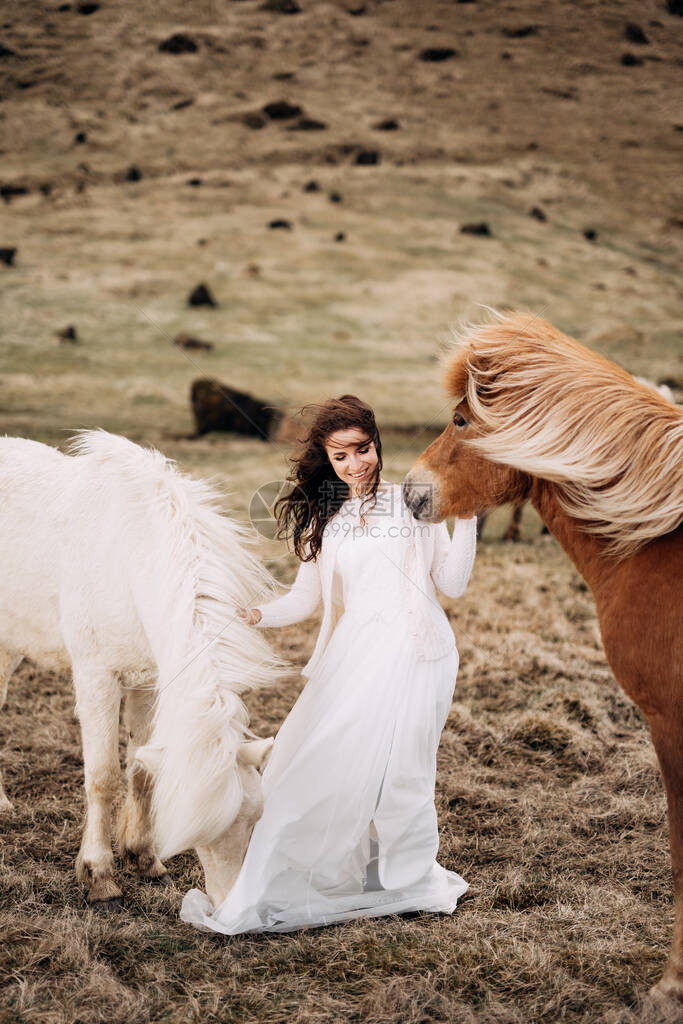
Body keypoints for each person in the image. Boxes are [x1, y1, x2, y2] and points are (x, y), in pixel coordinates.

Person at [181, 395, 477, 934]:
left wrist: (468, 515)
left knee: (404, 771)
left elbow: (452, 583)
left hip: (420, 651)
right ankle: (327, 867)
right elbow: (303, 602)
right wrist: (251, 614)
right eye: (341, 456)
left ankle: (409, 877)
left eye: (363, 450)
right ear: (327, 459)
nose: (355, 464)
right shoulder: (326, 521)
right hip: (355, 656)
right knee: (313, 759)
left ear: (378, 444)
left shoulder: (412, 504)